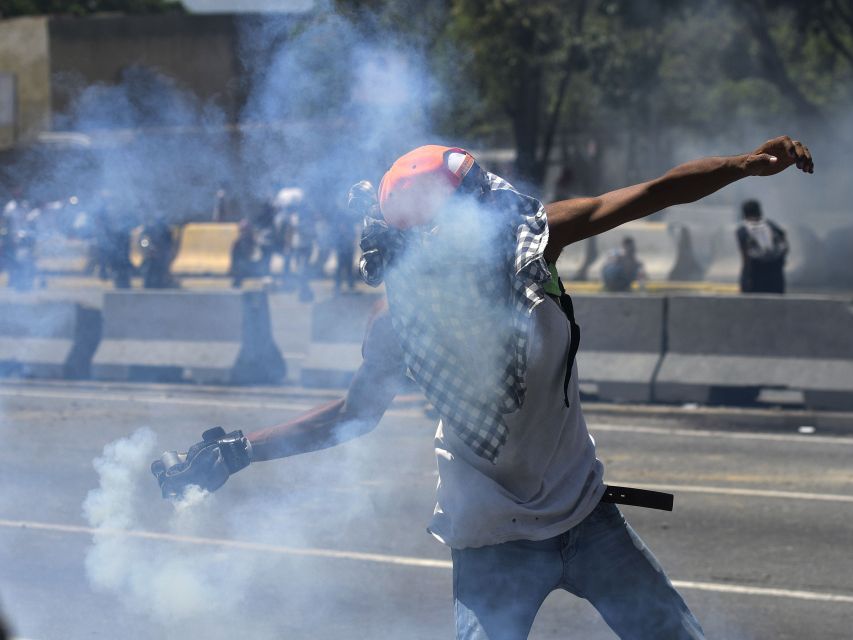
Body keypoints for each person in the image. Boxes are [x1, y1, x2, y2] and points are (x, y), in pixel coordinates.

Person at [154, 137, 813, 639]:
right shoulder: (400, 319)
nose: (493, 211)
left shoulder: (535, 246)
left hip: (584, 514)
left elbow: (652, 192)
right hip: (491, 538)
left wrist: (740, 165)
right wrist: (240, 450)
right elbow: (353, 417)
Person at [736, 199, 789, 294]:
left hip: (754, 278)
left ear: (744, 214)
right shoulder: (773, 227)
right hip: (775, 277)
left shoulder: (743, 231)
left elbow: (746, 257)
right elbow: (784, 246)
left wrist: (745, 281)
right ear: (760, 211)